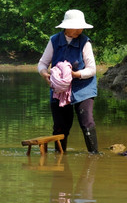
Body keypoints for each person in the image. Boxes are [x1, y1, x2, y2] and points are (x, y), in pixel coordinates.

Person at [38, 9, 99, 154]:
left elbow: (92, 69)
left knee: (87, 121)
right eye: (77, 27)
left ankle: (94, 155)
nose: (80, 30)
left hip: (84, 87)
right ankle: (60, 157)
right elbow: (42, 63)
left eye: (81, 27)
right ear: (67, 26)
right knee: (60, 125)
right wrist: (44, 74)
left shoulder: (85, 42)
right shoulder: (54, 40)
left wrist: (75, 74)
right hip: (60, 89)